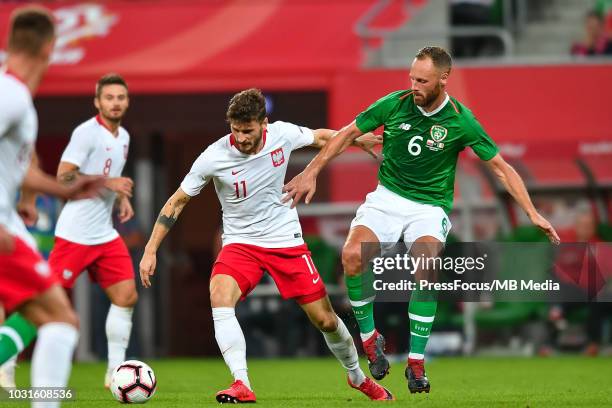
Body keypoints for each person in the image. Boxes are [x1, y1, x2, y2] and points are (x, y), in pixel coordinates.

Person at [282, 46, 560, 394]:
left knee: (426, 265)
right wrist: (311, 171)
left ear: (444, 79)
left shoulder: (461, 120)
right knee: (352, 256)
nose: (414, 85)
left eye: (422, 80)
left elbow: (501, 169)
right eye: (412, 77)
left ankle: (416, 363)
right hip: (387, 198)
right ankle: (370, 340)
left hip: (429, 208)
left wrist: (532, 213)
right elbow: (346, 134)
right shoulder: (394, 104)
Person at [139, 88, 393, 403]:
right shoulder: (213, 156)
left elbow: (320, 137)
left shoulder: (282, 134)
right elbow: (177, 202)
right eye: (235, 130)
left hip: (285, 239)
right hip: (240, 243)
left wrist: (356, 140)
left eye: (248, 130)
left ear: (264, 124)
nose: (241, 137)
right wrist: (150, 249)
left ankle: (356, 376)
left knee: (326, 320)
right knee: (219, 296)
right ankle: (241, 382)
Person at [0, 6, 103, 405]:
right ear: (49, 46)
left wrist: (65, 190)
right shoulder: (12, 96)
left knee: (51, 317)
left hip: (10, 223)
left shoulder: (13, 95)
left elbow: (17, 171)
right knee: (60, 320)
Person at [46, 73, 137, 388]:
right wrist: (107, 183)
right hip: (75, 234)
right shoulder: (85, 133)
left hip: (105, 233)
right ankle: (9, 358)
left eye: (121, 98)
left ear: (127, 101)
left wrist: (121, 197)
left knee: (126, 295)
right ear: (97, 102)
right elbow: (63, 177)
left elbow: (111, 174)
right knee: (44, 299)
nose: (115, 103)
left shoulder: (123, 136)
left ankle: (114, 372)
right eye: (109, 98)